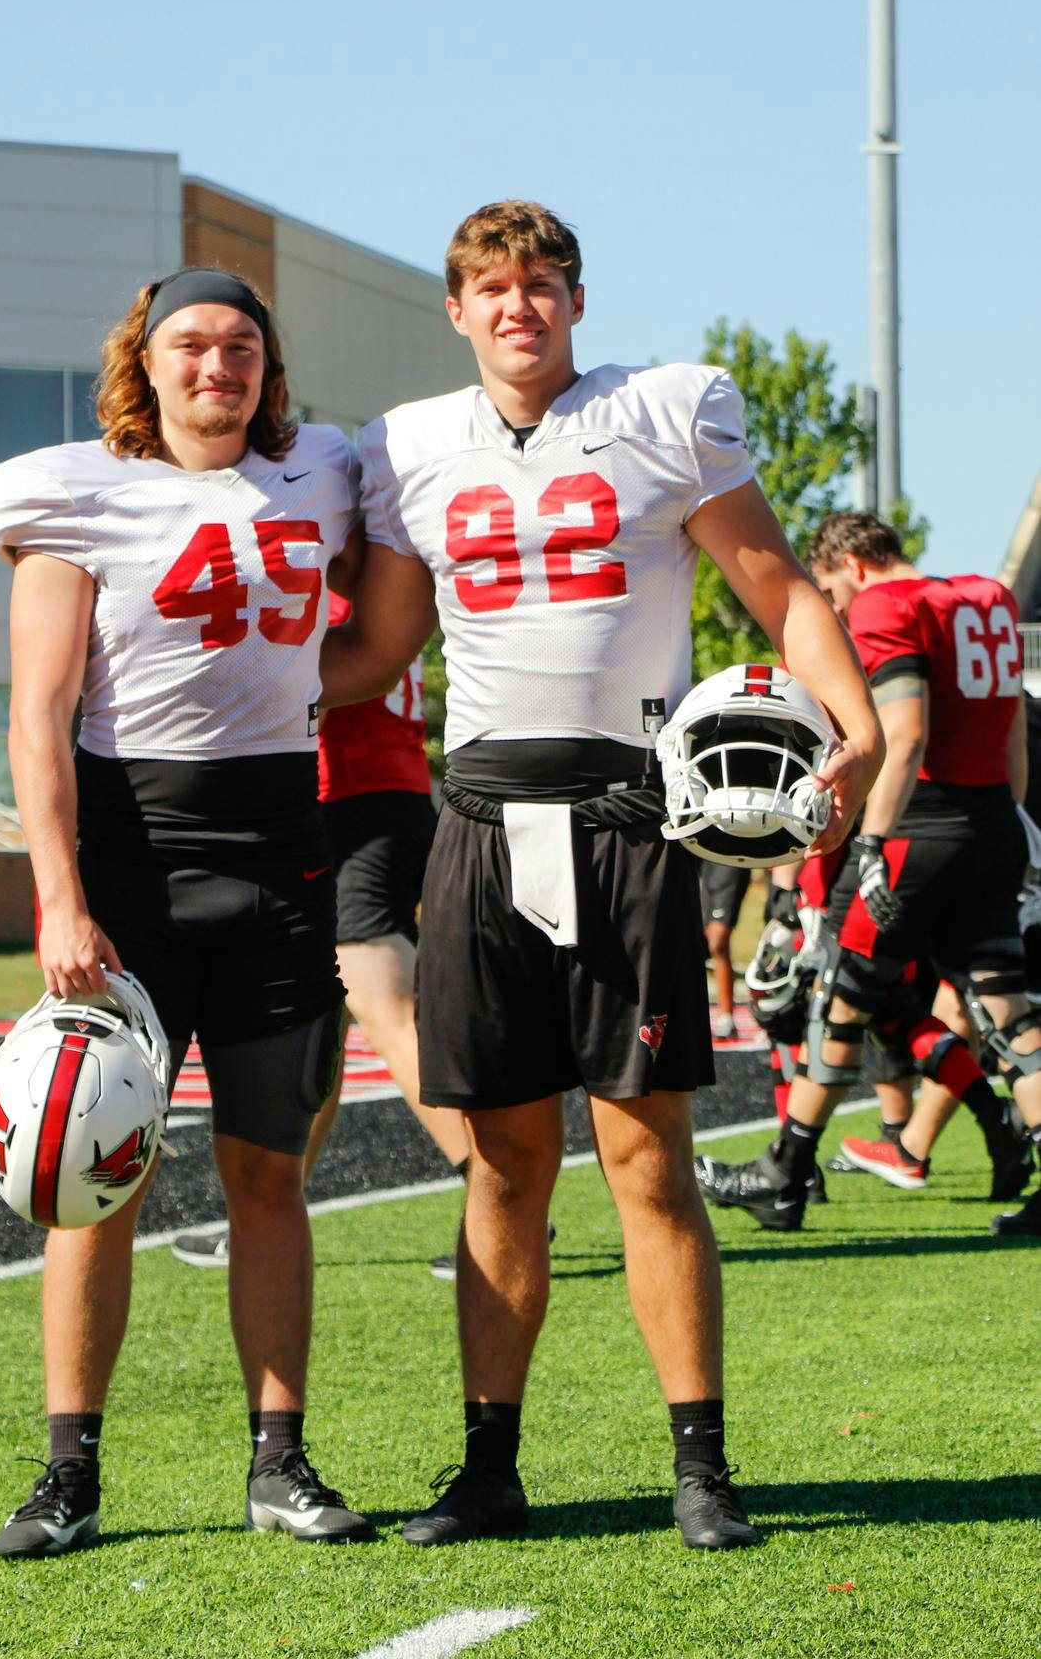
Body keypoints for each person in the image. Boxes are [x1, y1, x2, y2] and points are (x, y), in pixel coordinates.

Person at [321, 201, 884, 1552]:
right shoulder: (404, 449)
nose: (520, 305)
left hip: (630, 815)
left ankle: (702, 1464)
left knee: (647, 1157)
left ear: (577, 299)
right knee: (503, 1169)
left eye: (543, 283)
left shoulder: (660, 412)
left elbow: (777, 587)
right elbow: (374, 653)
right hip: (477, 823)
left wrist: (856, 728)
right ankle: (488, 1467)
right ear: (454, 311)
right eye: (493, 288)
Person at [0, 266, 369, 1558]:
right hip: (132, 876)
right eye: (193, 345)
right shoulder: (72, 490)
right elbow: (37, 719)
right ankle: (70, 1474)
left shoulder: (323, 467)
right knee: (94, 1186)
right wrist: (58, 900)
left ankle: (279, 1461)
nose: (220, 366)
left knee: (270, 1174)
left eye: (243, 346)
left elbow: (385, 612)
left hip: (280, 866)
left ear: (270, 363)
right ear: (142, 361)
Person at [697, 511, 1031, 1230]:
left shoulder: (887, 603)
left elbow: (904, 733)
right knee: (1008, 1013)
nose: (837, 609)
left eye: (830, 590)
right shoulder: (986, 598)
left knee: (841, 999)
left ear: (850, 563)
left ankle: (784, 1173)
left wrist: (873, 844)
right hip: (993, 824)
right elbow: (1009, 738)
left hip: (919, 834)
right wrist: (1013, 826)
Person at [170, 593, 470, 1271]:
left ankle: (495, 1193)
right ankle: (264, 1210)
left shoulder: (329, 594)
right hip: (384, 800)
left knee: (380, 1003)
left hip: (352, 806)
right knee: (319, 1019)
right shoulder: (372, 592)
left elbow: (300, 701)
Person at [698, 858, 752, 1041]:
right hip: (705, 856)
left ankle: (727, 1017)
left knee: (718, 941)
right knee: (702, 942)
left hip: (730, 857)